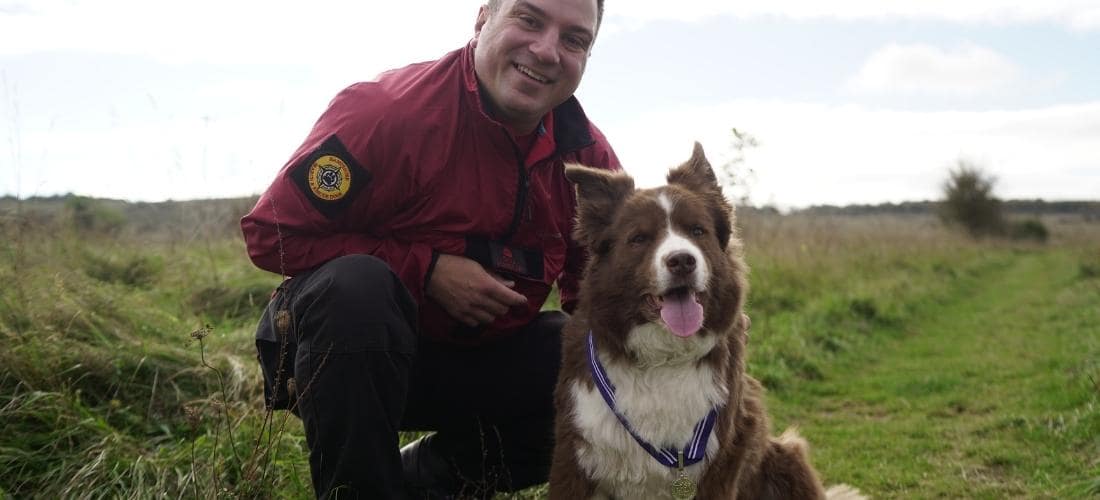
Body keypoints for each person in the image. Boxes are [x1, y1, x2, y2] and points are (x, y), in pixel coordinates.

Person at [241, 0, 617, 497]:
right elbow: (271, 235)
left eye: (574, 39)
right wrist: (426, 268)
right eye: (529, 19)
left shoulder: (588, 160)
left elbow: (603, 296)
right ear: (483, 18)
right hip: (339, 353)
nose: (546, 51)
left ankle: (422, 481)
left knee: (589, 360)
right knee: (358, 288)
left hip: (474, 366)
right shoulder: (385, 113)